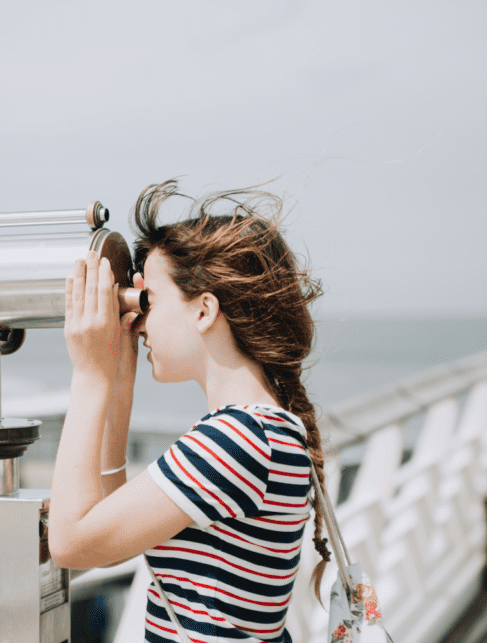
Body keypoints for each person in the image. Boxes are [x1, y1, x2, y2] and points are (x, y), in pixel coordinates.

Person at [49, 180, 329, 643]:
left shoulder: (237, 440)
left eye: (149, 301)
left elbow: (70, 544)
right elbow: (108, 543)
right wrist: (119, 383)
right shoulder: (266, 429)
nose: (139, 322)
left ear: (203, 311)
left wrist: (89, 374)